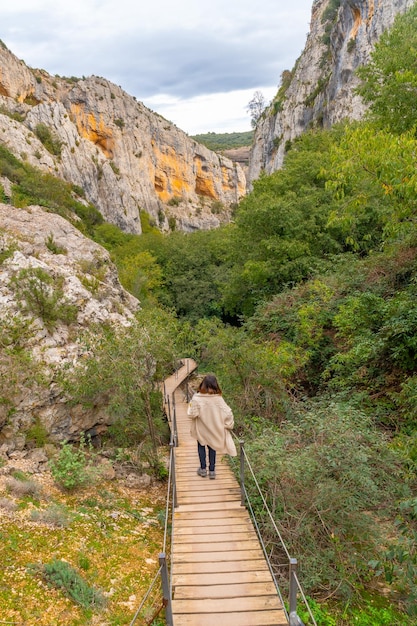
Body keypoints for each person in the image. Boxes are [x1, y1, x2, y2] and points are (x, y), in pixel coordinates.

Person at [187, 374, 237, 479]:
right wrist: (228, 424)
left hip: (201, 428)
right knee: (212, 448)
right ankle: (212, 471)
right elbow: (228, 413)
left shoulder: (197, 398)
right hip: (214, 428)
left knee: (201, 446)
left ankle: (203, 469)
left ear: (203, 384)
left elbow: (192, 414)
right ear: (215, 385)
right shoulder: (219, 399)